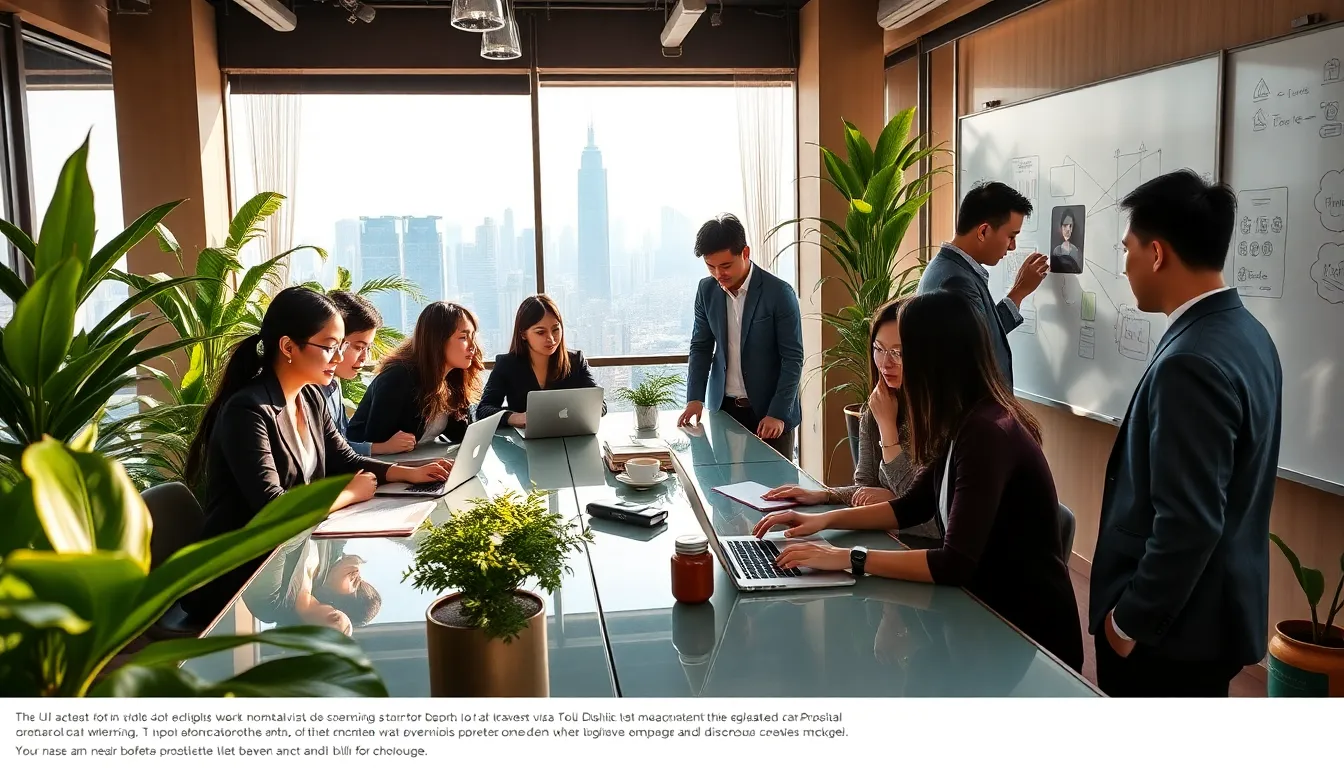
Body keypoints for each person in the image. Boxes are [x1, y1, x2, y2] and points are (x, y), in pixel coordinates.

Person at [752, 290, 1084, 673]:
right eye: (883, 350)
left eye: (904, 351)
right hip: (982, 614)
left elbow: (953, 563)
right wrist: (823, 520)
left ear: (935, 359)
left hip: (1025, 635)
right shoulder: (964, 421)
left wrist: (847, 558)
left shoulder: (987, 432)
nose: (890, 363)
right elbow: (911, 505)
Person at [1090, 169, 1283, 697]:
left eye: (1127, 249)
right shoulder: (1249, 332)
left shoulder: (1190, 361)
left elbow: (1189, 523)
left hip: (1171, 637)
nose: (1124, 264)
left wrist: (1126, 624)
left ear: (1156, 254)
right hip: (1213, 618)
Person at [181, 287, 451, 622]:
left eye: (340, 347)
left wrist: (405, 472)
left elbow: (344, 459)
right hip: (239, 577)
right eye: (328, 347)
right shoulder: (248, 411)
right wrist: (347, 494)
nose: (338, 358)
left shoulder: (310, 397)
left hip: (289, 556)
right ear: (288, 347)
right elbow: (273, 508)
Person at [762, 298, 939, 541]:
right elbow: (865, 489)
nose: (885, 363)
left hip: (928, 552)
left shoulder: (940, 416)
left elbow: (925, 514)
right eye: (879, 349)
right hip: (888, 539)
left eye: (898, 352)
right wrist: (824, 495)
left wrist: (888, 429)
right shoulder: (876, 407)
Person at [678, 213, 803, 458]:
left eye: (725, 265)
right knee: (723, 488)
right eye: (710, 266)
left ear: (745, 253)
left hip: (769, 415)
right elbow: (701, 347)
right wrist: (695, 398)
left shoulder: (779, 293)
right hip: (723, 411)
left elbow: (793, 358)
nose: (718, 274)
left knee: (773, 491)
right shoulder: (706, 291)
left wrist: (778, 412)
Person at [918, 181, 1049, 387]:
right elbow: (980, 348)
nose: (1013, 246)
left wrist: (1019, 292)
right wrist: (1019, 291)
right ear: (983, 231)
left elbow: (977, 333)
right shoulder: (956, 281)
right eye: (1011, 236)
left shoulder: (947, 268)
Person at [348, 301, 486, 446]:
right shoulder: (398, 378)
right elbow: (375, 440)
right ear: (437, 341)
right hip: (370, 464)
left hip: (418, 459)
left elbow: (459, 433)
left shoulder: (452, 379)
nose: (473, 347)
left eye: (473, 336)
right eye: (463, 338)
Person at [477, 294, 605, 427]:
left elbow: (600, 404)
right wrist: (515, 418)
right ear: (523, 334)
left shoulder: (575, 361)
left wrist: (579, 412)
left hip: (570, 437)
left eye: (555, 329)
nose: (551, 338)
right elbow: (483, 410)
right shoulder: (507, 364)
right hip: (523, 443)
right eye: (540, 332)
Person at [321, 290, 415, 455]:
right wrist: (381, 448)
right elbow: (329, 451)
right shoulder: (310, 391)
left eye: (368, 348)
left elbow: (342, 439)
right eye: (358, 347)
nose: (365, 357)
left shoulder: (334, 385)